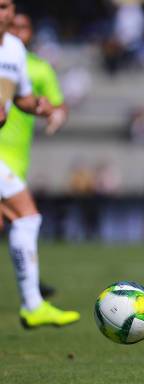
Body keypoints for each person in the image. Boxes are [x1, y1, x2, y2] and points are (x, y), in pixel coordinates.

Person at [0, 0, 79, 328]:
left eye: (5, 6)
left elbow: (20, 97)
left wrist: (38, 105)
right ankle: (33, 304)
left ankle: (33, 304)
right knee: (25, 215)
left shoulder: (14, 49)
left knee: (25, 216)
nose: (2, 13)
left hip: (12, 156)